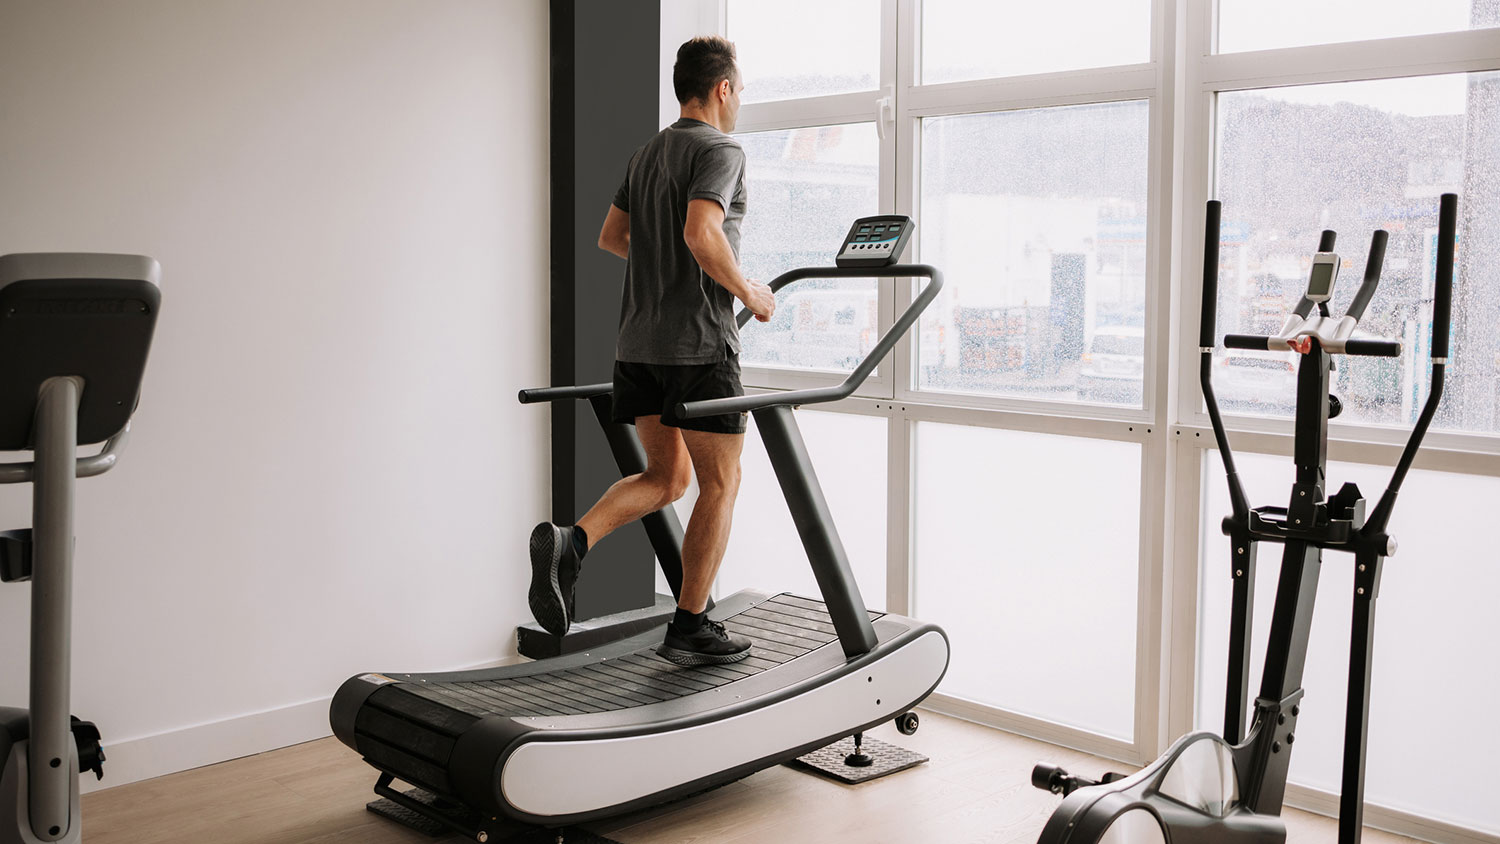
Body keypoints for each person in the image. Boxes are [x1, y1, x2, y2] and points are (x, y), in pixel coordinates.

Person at [528, 36, 775, 666]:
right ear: (722, 88)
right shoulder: (722, 149)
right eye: (739, 88)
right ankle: (691, 623)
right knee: (721, 483)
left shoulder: (648, 152)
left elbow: (613, 237)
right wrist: (749, 289)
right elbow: (701, 230)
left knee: (667, 478)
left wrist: (666, 253)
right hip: (699, 349)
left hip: (638, 345)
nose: (740, 99)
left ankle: (573, 542)